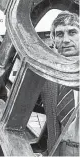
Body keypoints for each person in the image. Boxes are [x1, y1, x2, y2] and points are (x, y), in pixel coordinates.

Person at [41, 11, 79, 156]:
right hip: (59, 151)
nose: (66, 40)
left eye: (72, 32)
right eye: (60, 34)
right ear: (53, 40)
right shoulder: (47, 75)